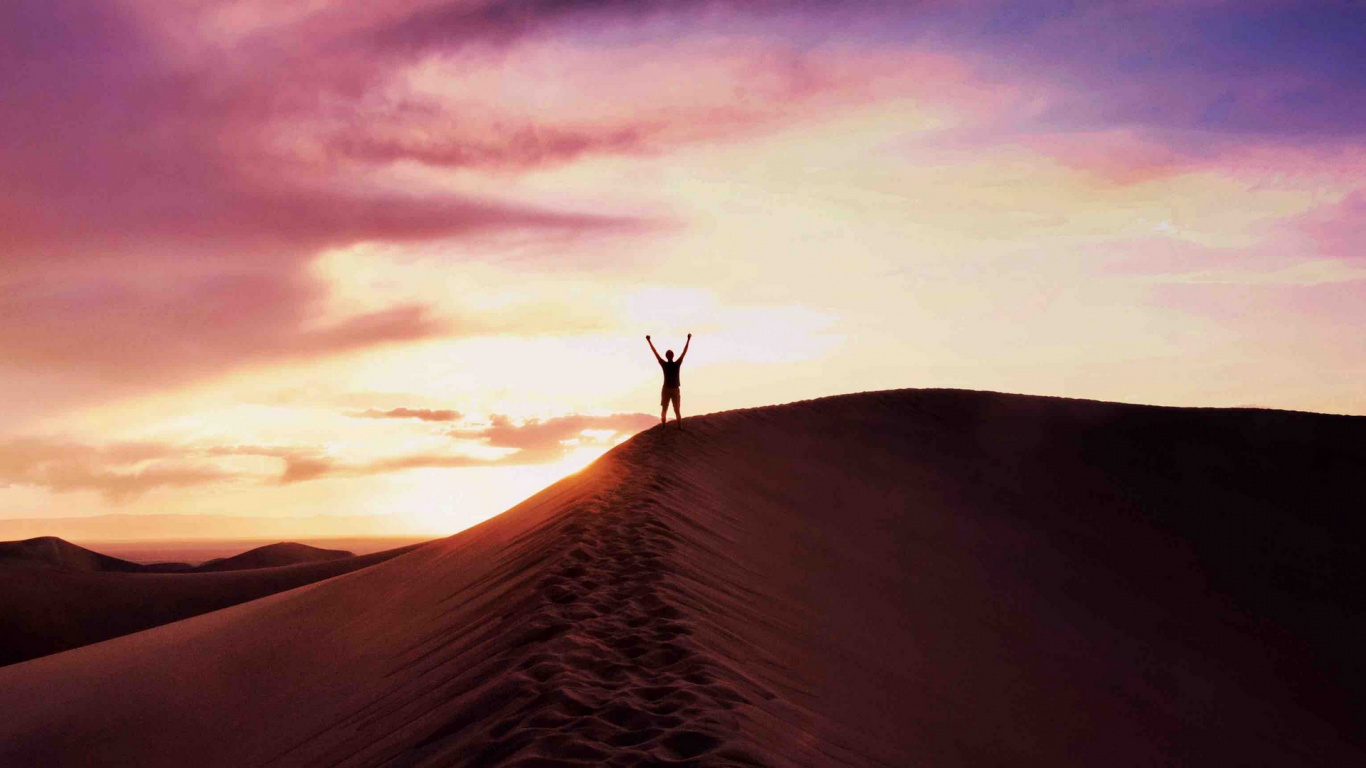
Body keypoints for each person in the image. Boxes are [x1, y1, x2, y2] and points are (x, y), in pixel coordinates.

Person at [646, 333, 690, 426]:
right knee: (676, 410)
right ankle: (678, 426)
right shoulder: (676, 364)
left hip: (668, 389)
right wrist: (688, 340)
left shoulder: (666, 364)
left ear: (667, 356)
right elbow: (684, 352)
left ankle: (664, 426)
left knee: (665, 409)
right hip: (673, 389)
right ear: (672, 356)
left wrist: (649, 341)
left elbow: (655, 353)